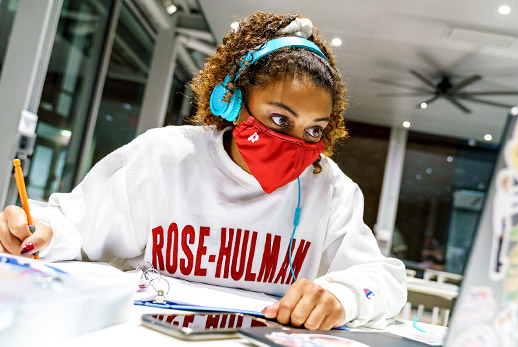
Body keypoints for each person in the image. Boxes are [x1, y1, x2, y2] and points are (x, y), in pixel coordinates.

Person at [0, 11, 406, 330]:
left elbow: (384, 280)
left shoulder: (331, 188)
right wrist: (40, 233)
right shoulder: (163, 157)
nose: (298, 142)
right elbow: (75, 228)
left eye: (314, 130)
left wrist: (344, 296)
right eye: (280, 119)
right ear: (230, 99)